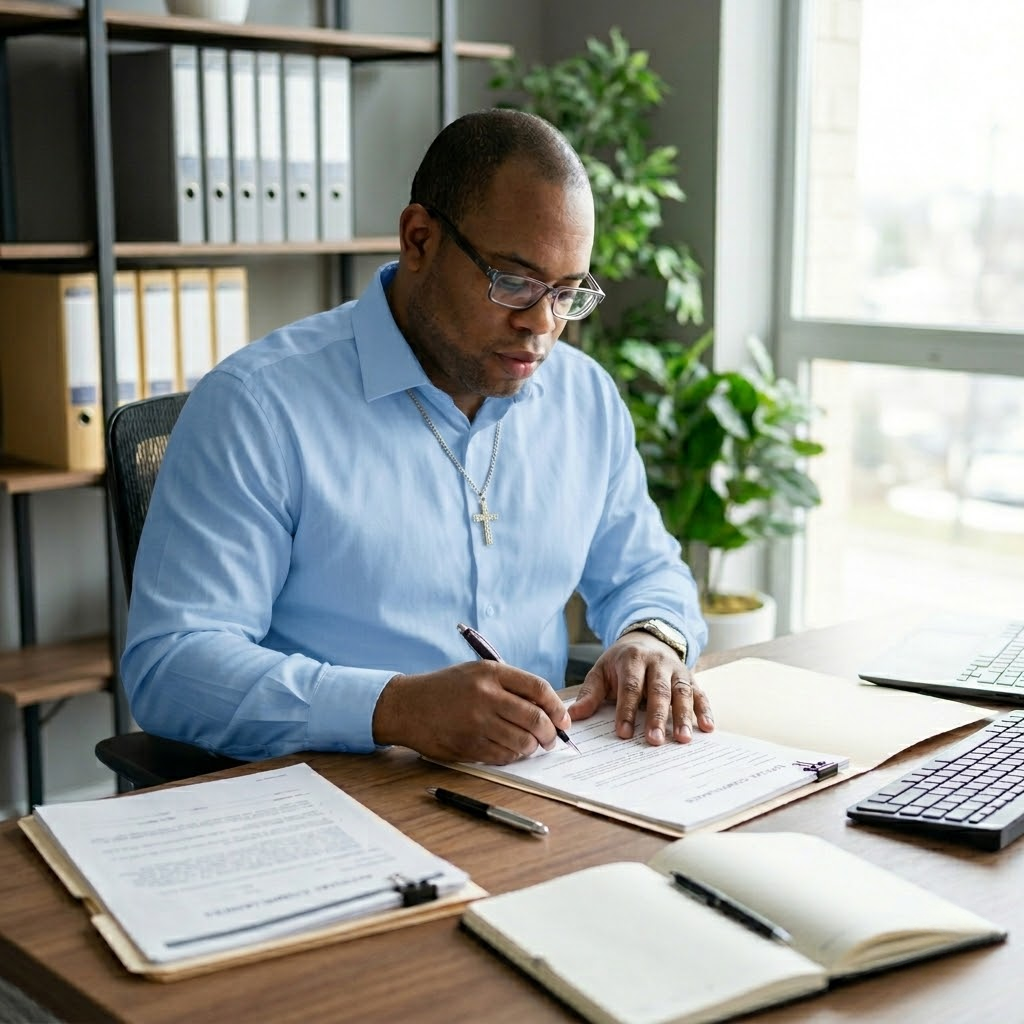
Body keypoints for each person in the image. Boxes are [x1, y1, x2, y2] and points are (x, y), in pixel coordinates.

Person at [121, 108, 713, 766]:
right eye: (513, 283)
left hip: (542, 785)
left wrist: (652, 636)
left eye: (567, 292)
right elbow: (171, 666)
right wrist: (392, 708)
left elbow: (647, 570)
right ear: (419, 240)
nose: (543, 326)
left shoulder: (585, 398)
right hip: (335, 800)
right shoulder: (257, 407)